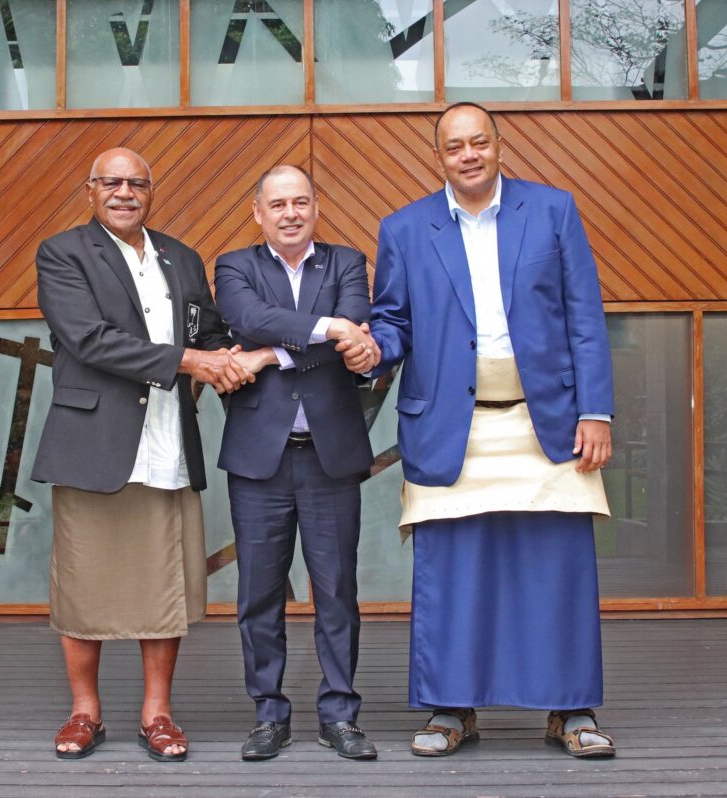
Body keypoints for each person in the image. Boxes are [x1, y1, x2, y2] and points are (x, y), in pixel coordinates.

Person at [344, 102, 616, 758]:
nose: (468, 154)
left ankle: (571, 710)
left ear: (499, 145)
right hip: (449, 426)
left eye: (479, 142)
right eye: (454, 146)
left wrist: (596, 412)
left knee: (558, 566)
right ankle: (451, 710)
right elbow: (394, 320)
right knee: (452, 569)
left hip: (543, 420)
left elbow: (584, 315)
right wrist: (373, 347)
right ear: (438, 156)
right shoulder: (405, 228)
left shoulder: (552, 211)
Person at [32, 147, 252, 763]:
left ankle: (158, 713)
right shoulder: (63, 252)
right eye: (112, 182)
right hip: (95, 444)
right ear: (91, 190)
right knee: (84, 581)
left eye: (137, 183)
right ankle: (85, 712)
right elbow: (88, 339)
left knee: (164, 583)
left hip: (167, 438)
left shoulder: (180, 257)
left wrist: (250, 352)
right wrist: (192, 362)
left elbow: (206, 332)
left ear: (151, 192)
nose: (125, 192)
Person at [213, 165, 380, 761]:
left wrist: (264, 357)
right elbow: (251, 318)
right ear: (257, 213)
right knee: (259, 593)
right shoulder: (234, 266)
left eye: (301, 201)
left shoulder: (346, 261)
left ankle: (341, 714)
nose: (290, 212)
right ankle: (269, 713)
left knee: (337, 592)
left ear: (317, 207)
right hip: (261, 461)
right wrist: (327, 328)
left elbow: (351, 337)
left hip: (329, 459)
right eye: (277, 204)